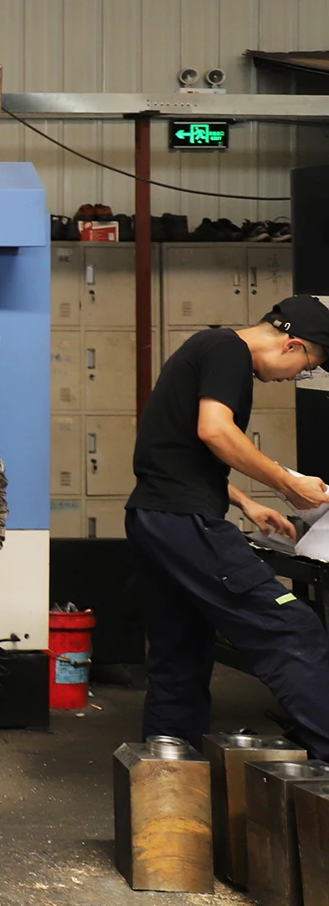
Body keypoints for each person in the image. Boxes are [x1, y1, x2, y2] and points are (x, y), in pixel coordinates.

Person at [125, 294, 329, 754]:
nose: (295, 377)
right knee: (292, 627)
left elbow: (175, 449)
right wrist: (288, 484)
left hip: (154, 518)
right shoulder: (228, 350)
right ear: (292, 345)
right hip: (183, 523)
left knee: (180, 653)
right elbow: (214, 430)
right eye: (307, 367)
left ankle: (171, 775)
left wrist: (244, 502)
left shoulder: (209, 348)